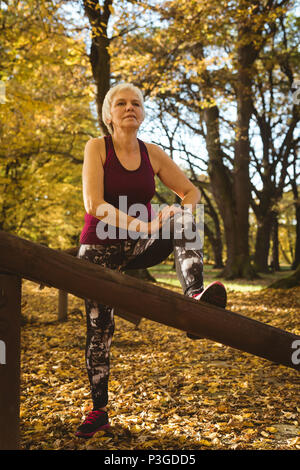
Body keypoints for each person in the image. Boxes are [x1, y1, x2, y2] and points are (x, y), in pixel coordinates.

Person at [75, 83, 226, 438]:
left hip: (137, 246)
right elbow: (93, 204)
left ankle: (195, 297)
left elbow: (191, 191)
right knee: (101, 330)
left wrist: (176, 213)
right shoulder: (97, 147)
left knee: (189, 218)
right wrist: (142, 224)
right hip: (98, 249)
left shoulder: (152, 153)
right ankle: (99, 411)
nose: (130, 108)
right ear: (109, 113)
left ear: (142, 113)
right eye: (122, 103)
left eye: (136, 104)